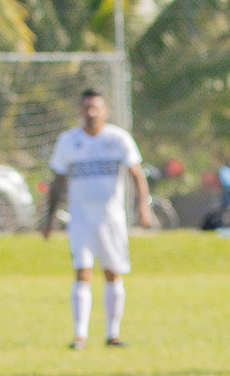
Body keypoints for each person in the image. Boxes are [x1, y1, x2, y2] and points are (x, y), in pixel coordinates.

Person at [44, 90, 153, 349]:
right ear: (80, 112)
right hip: (80, 218)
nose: (91, 113)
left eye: (96, 108)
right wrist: (48, 218)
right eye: (86, 108)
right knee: (82, 272)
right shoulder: (68, 141)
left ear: (105, 111)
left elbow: (136, 173)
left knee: (112, 273)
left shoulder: (118, 139)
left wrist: (143, 207)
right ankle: (80, 335)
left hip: (112, 218)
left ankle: (112, 334)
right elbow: (57, 182)